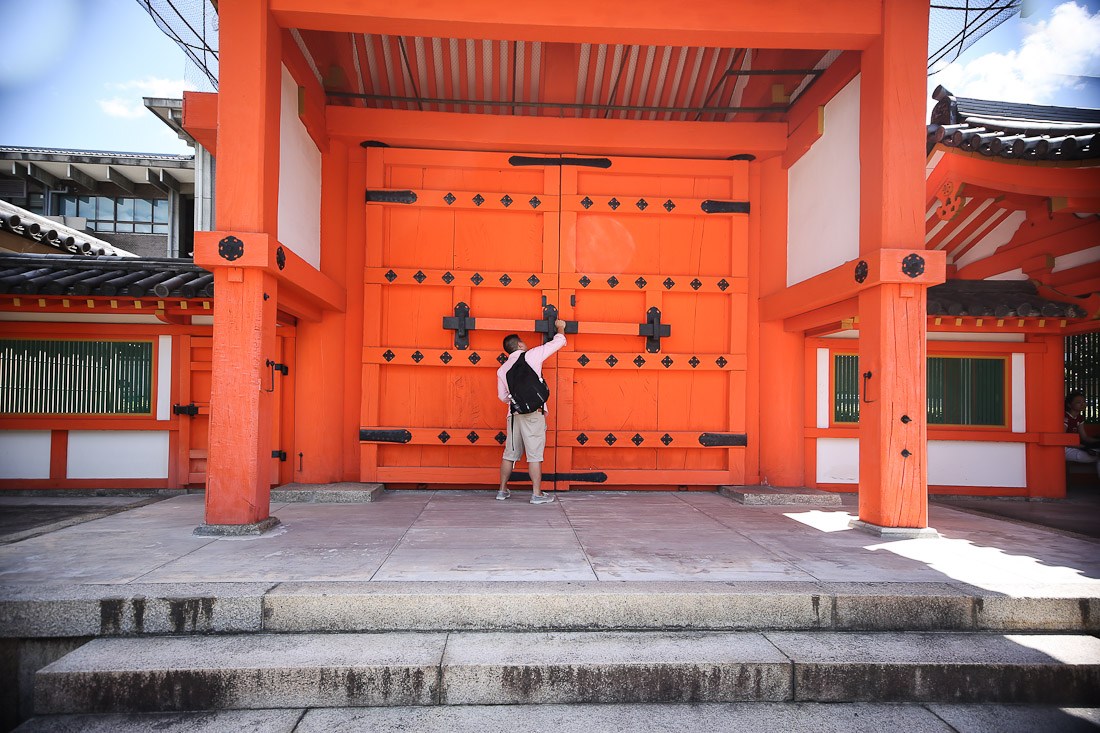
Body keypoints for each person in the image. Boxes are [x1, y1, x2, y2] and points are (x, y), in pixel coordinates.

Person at [496, 319, 567, 504]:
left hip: (514, 414)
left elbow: (502, 396)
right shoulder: (531, 355)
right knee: (534, 454)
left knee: (509, 454)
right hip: (533, 414)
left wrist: (518, 400)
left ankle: (502, 490)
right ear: (520, 344)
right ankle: (536, 494)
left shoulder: (502, 369)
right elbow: (558, 342)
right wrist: (561, 327)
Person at [1064, 391, 1100, 478]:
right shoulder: (1065, 418)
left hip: (1077, 446)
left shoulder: (1079, 418)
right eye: (1078, 402)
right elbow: (1063, 440)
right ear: (1069, 405)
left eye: (1084, 401)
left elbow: (1085, 437)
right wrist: (1083, 447)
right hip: (1065, 449)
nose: (1083, 404)